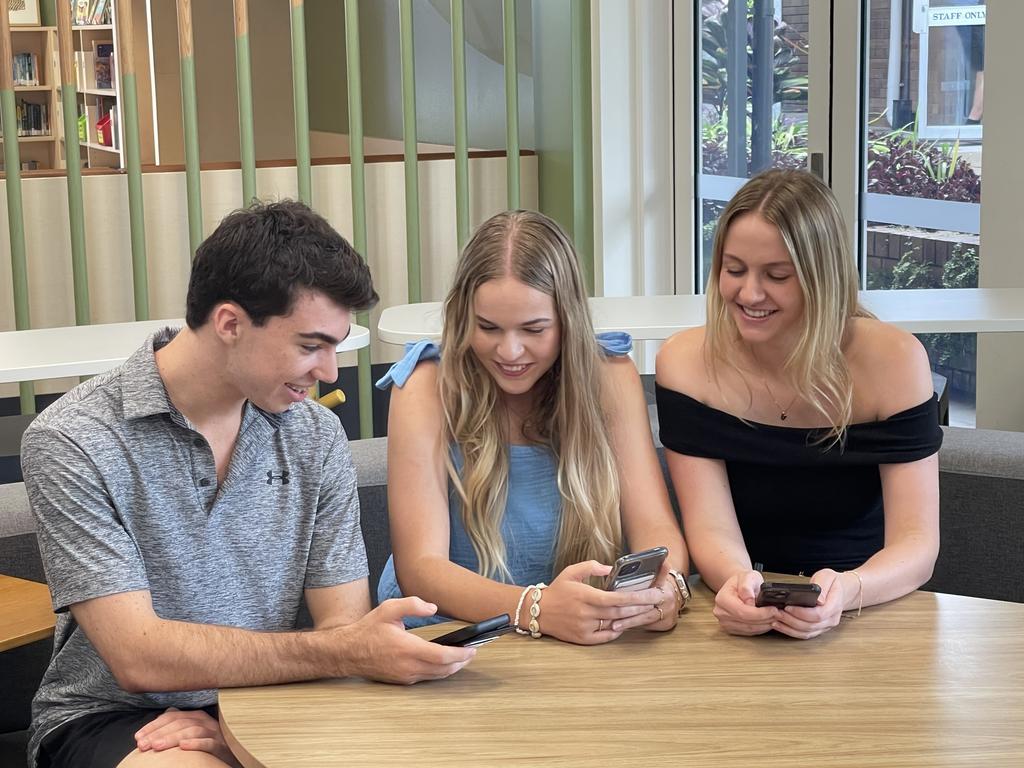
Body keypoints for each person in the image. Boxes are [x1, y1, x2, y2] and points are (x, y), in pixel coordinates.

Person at [21, 201, 475, 768]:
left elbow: (343, 623)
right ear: (230, 323)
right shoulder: (74, 440)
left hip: (274, 696)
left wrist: (245, 715)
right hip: (116, 717)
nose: (331, 372)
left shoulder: (314, 434)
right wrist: (336, 654)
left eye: (335, 345)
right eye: (311, 345)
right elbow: (140, 658)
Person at [376, 210, 689, 645]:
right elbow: (421, 569)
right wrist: (535, 608)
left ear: (568, 323)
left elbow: (654, 525)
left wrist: (667, 586)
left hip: (578, 638)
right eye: (487, 327)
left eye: (534, 329)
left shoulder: (609, 375)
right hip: (448, 638)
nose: (509, 350)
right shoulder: (425, 386)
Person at [655, 169, 942, 641]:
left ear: (821, 277)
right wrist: (738, 583)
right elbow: (710, 528)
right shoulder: (685, 363)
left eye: (777, 276)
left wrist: (848, 591)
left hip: (869, 604)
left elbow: (917, 545)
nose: (749, 294)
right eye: (734, 270)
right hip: (735, 604)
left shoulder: (895, 361)